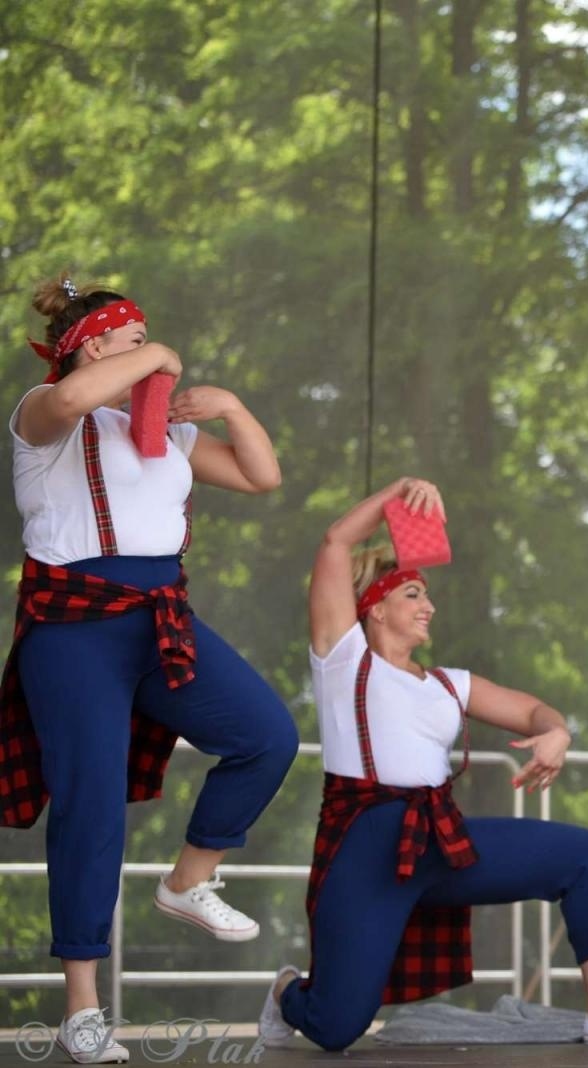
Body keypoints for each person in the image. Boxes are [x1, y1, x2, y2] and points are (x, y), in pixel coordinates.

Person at [258, 478, 588, 1051]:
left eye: (427, 596)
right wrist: (399, 494)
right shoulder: (343, 658)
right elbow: (335, 542)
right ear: (374, 608)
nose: (428, 606)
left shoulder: (449, 683)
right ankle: (287, 989)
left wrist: (557, 732)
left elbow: (531, 710)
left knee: (585, 855)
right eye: (413, 595)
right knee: (336, 1028)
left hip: (439, 839)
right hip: (367, 844)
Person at [2, 274, 298, 1063]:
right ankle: (82, 1007)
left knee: (266, 735)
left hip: (159, 619)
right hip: (73, 629)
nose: (154, 355)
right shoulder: (43, 411)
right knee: (90, 807)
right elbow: (72, 398)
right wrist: (159, 352)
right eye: (134, 340)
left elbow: (262, 476)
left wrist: (230, 407)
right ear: (95, 344)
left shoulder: (158, 427)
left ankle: (188, 879)